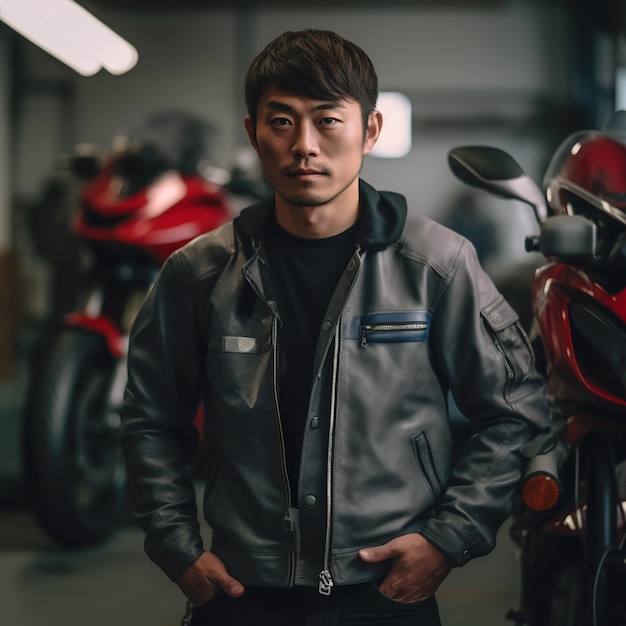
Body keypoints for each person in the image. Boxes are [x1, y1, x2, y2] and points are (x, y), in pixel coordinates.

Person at [119, 29, 551, 626]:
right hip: (241, 590)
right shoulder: (198, 273)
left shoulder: (436, 265)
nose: (304, 146)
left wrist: (449, 539)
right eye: (281, 122)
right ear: (253, 134)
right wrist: (177, 548)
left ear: (369, 131)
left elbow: (513, 411)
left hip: (386, 585)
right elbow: (149, 420)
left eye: (328, 121)